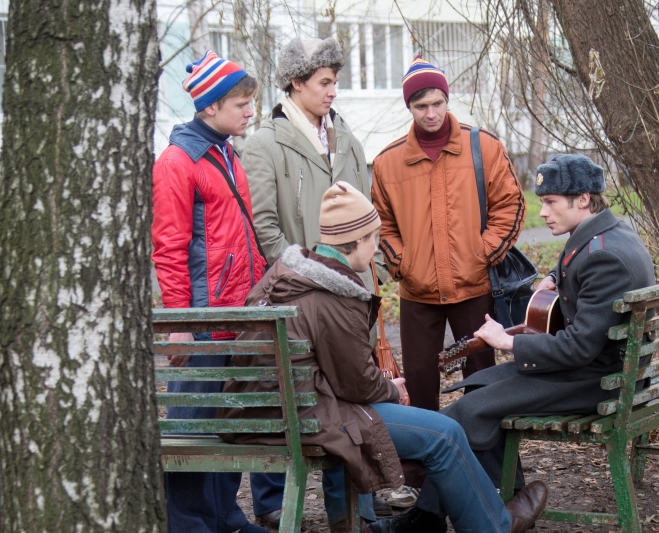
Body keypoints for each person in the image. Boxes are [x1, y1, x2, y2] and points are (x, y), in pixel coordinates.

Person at [219, 181, 549, 533]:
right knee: (446, 433)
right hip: (306, 418)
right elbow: (357, 385)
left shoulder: (283, 276)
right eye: (373, 238)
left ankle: (359, 524)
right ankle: (494, 527)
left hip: (255, 413)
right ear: (357, 240)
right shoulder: (334, 295)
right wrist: (392, 389)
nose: (376, 247)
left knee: (402, 425)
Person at [376, 154, 656, 532]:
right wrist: (554, 278)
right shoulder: (609, 234)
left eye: (551, 202)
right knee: (478, 387)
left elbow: (578, 347)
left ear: (583, 199)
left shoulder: (602, 256)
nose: (543, 212)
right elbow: (577, 274)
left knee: (464, 414)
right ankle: (503, 495)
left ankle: (428, 520)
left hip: (600, 382)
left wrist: (506, 343)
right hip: (607, 370)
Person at [241, 36, 388, 528]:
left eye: (335, 81)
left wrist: (371, 272)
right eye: (324, 82)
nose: (333, 91)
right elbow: (264, 226)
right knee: (306, 400)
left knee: (352, 397)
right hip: (303, 302)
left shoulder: (345, 136)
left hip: (348, 297)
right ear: (295, 82)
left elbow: (365, 212)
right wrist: (308, 276)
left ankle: (356, 514)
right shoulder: (265, 143)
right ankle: (280, 508)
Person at [371, 55, 525, 507]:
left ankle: (496, 479)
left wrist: (482, 254)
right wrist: (403, 262)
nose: (431, 113)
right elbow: (380, 223)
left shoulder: (484, 147)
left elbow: (511, 205)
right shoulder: (388, 162)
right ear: (409, 107)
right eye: (421, 105)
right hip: (417, 293)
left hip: (474, 288)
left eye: (437, 102)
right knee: (419, 387)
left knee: (484, 384)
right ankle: (423, 492)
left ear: (447, 99)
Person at [151, 50, 267, 533]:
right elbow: (169, 246)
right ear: (210, 106)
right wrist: (180, 323)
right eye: (241, 104)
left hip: (236, 314)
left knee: (227, 424)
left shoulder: (226, 153)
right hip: (202, 320)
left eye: (250, 103)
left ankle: (225, 519)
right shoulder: (178, 161)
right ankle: (186, 524)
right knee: (191, 427)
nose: (250, 112)